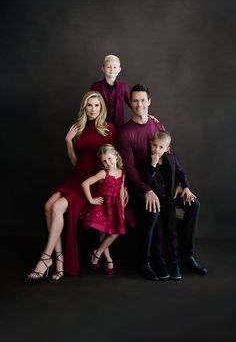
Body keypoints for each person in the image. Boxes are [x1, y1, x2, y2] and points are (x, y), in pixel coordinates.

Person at [117, 84, 207, 281]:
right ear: (130, 103)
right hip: (141, 184)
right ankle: (145, 261)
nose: (139, 104)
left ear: (149, 101)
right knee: (154, 208)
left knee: (194, 205)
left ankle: (186, 255)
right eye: (135, 100)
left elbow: (170, 157)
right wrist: (146, 190)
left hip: (165, 184)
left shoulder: (157, 125)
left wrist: (181, 185)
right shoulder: (125, 132)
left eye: (143, 100)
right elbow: (130, 169)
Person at [28, 91, 116, 280]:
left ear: (102, 108)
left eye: (96, 105)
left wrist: (115, 185)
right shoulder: (79, 128)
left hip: (91, 182)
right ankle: (58, 260)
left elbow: (113, 161)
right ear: (84, 106)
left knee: (58, 207)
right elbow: (76, 162)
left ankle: (45, 258)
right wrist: (68, 141)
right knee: (48, 206)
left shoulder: (109, 129)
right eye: (89, 105)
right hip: (76, 177)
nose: (92, 109)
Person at [139, 131, 196, 281]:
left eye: (161, 147)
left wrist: (186, 187)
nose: (157, 150)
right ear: (151, 144)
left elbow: (181, 173)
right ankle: (160, 263)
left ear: (167, 149)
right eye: (154, 146)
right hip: (155, 203)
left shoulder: (171, 159)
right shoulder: (146, 161)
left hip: (169, 201)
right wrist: (152, 165)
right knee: (158, 233)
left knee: (171, 232)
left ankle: (174, 263)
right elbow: (145, 182)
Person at [81, 144, 125, 275]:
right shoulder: (103, 173)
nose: (108, 163)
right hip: (102, 205)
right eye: (104, 161)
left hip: (115, 206)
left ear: (116, 156)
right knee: (103, 232)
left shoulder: (122, 172)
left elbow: (121, 191)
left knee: (115, 232)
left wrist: (122, 209)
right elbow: (85, 183)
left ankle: (97, 252)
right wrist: (91, 200)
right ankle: (108, 259)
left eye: (110, 159)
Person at [90, 54, 130, 129]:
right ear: (103, 69)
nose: (112, 69)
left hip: (119, 126)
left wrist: (145, 115)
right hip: (100, 124)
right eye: (108, 67)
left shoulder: (123, 86)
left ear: (119, 70)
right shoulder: (96, 86)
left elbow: (132, 103)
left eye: (115, 67)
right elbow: (88, 104)